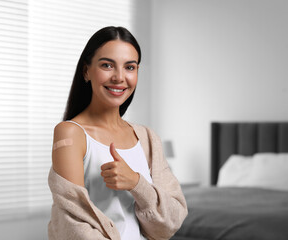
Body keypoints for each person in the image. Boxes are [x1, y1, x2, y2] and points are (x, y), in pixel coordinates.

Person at [48, 26, 187, 240]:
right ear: (86, 71)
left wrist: (136, 183)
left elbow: (171, 222)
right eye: (107, 65)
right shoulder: (70, 134)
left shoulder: (147, 138)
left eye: (130, 67)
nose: (119, 77)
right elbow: (73, 224)